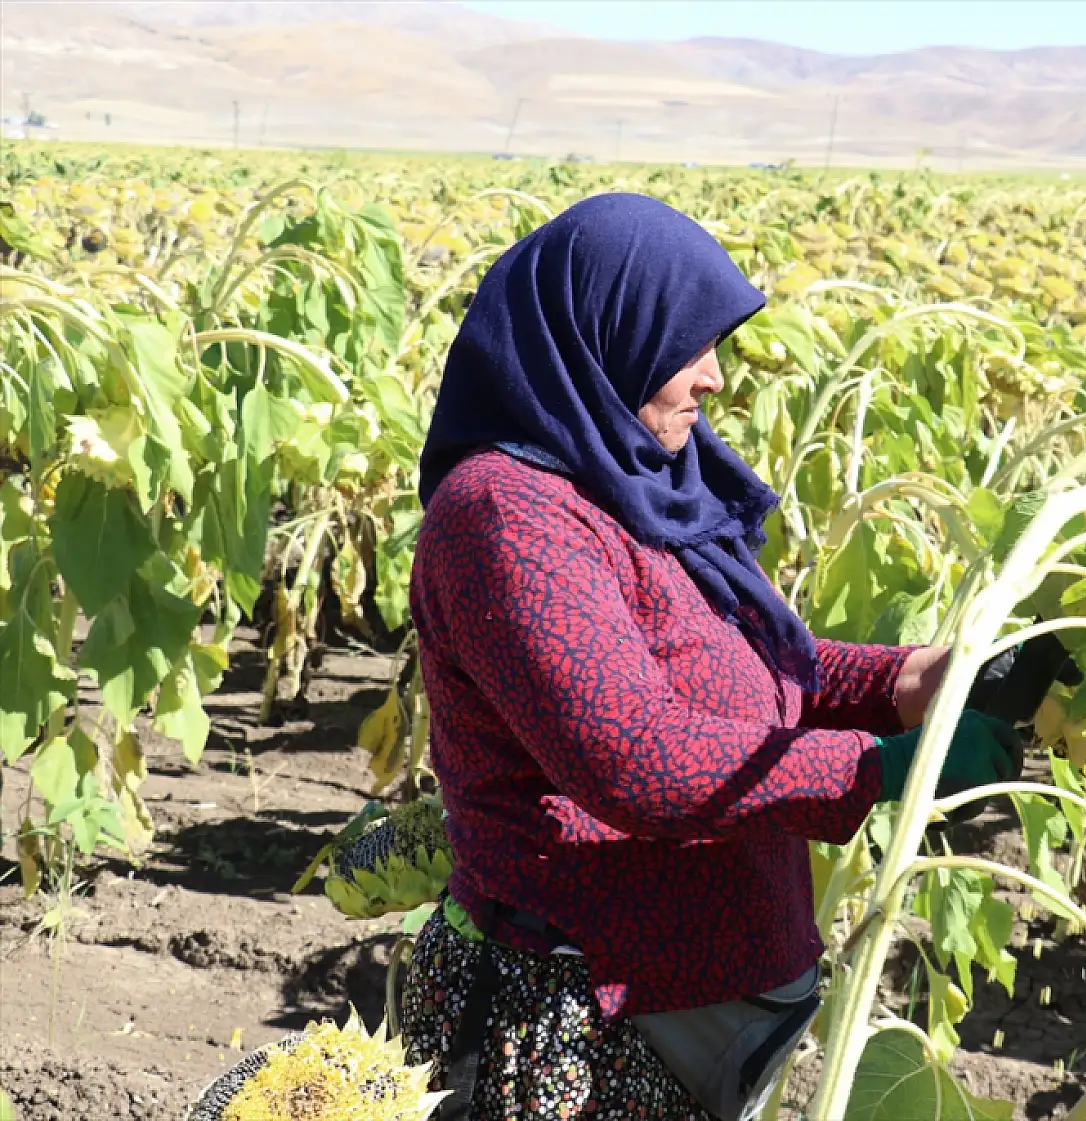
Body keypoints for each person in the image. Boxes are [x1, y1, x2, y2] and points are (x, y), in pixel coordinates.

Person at [400, 193, 1023, 1120]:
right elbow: (636, 757)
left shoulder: (630, 477)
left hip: (683, 1004)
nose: (715, 378)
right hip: (584, 1017)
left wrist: (909, 682)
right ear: (606, 331)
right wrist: (885, 767)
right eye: (687, 345)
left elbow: (752, 672)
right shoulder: (507, 515)